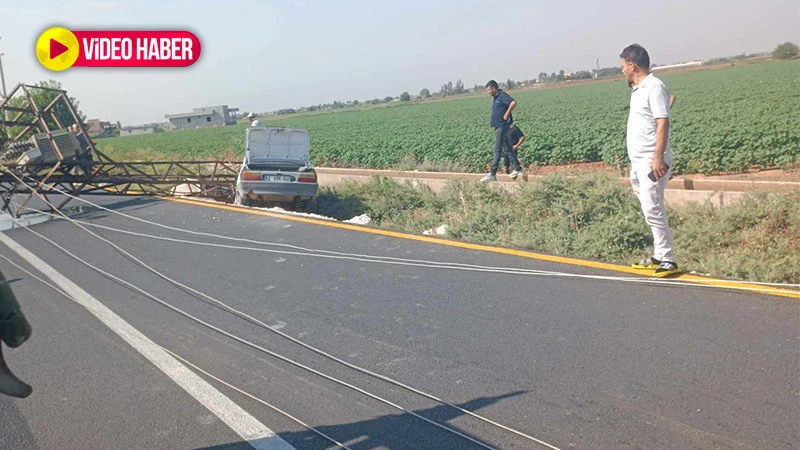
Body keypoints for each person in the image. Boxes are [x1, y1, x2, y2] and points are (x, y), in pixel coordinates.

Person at [620, 44, 681, 277]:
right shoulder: (639, 88)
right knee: (649, 209)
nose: (622, 71)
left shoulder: (654, 87)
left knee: (653, 208)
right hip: (638, 162)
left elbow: (663, 123)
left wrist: (657, 159)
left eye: (623, 66)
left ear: (632, 66)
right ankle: (659, 254)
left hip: (651, 161)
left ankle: (668, 258)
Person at [480, 80, 522, 182]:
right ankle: (518, 168)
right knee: (507, 149)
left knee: (497, 149)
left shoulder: (502, 95)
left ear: (493, 88)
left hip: (502, 127)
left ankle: (493, 174)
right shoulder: (496, 97)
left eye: (489, 90)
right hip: (498, 126)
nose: (488, 92)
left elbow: (513, 102)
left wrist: (507, 114)